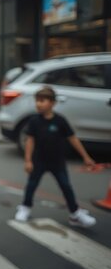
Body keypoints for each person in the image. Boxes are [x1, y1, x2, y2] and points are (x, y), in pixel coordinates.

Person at [14, 86, 96, 227]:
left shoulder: (60, 121)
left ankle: (75, 214)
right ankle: (25, 208)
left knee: (66, 186)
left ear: (52, 103)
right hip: (38, 161)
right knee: (32, 185)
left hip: (57, 162)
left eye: (42, 100)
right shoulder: (34, 121)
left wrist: (86, 157)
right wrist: (28, 160)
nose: (39, 104)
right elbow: (30, 141)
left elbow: (72, 138)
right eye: (37, 101)